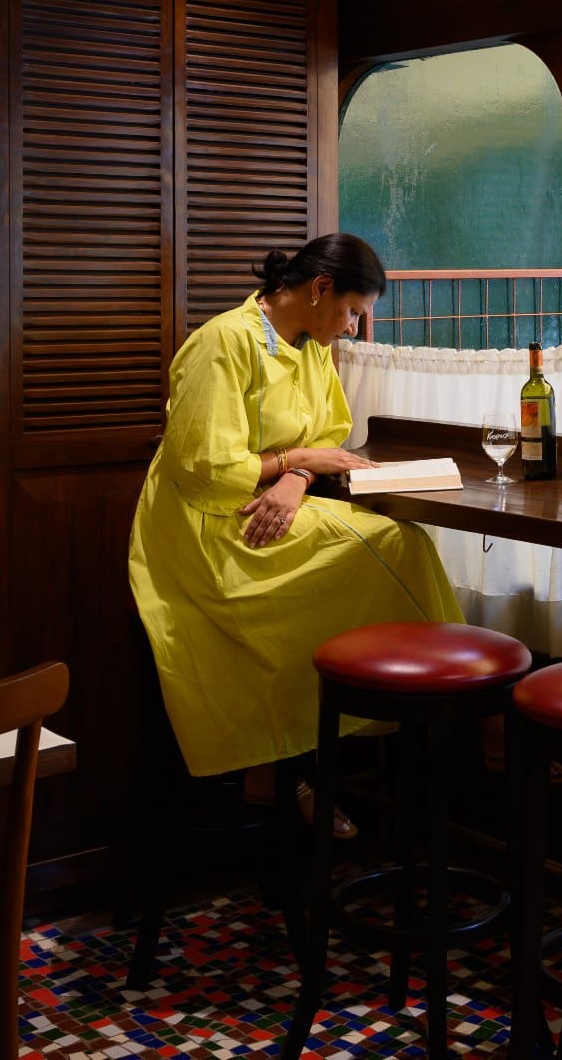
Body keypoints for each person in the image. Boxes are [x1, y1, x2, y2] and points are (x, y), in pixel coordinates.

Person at [128, 233, 465, 836]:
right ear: (320, 289)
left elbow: (329, 434)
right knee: (396, 545)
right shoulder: (223, 343)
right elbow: (206, 469)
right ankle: (470, 715)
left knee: (393, 545)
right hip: (209, 526)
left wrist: (297, 475)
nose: (356, 328)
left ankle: (285, 764)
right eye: (354, 311)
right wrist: (295, 462)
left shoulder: (311, 345)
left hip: (272, 504)